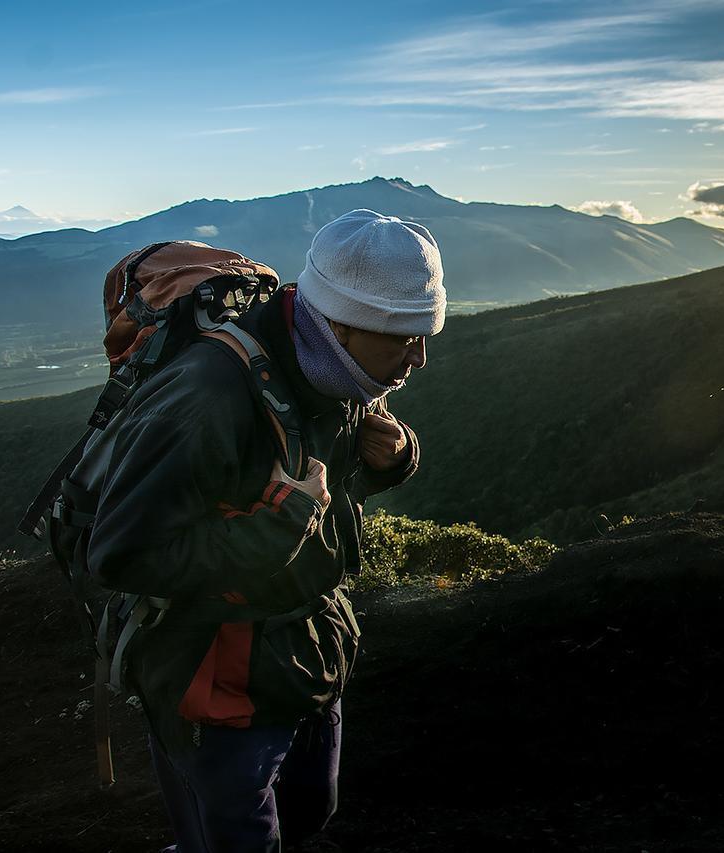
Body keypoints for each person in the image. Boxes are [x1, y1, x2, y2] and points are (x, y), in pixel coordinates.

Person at [87, 208, 446, 852]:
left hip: (307, 650)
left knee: (311, 812)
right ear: (338, 322)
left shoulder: (333, 369)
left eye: (426, 334)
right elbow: (121, 554)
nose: (419, 358)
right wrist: (287, 521)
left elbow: (316, 481)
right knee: (231, 838)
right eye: (403, 339)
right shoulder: (206, 399)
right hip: (216, 675)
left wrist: (393, 458)